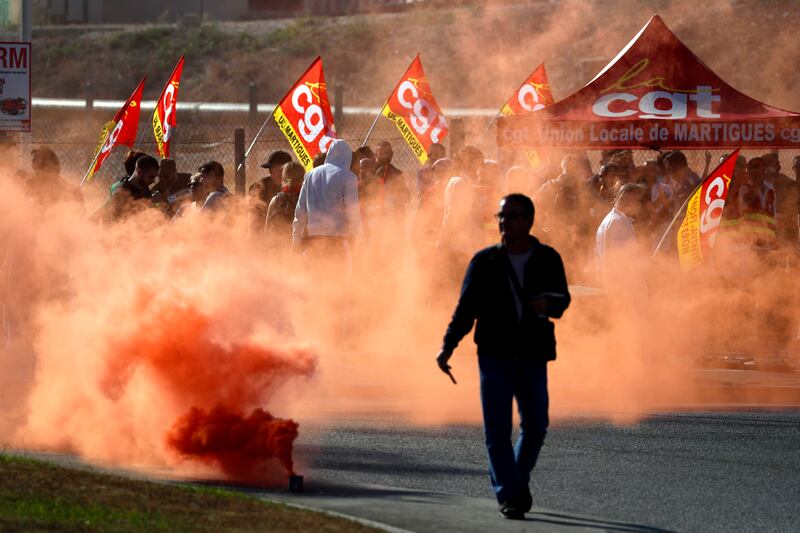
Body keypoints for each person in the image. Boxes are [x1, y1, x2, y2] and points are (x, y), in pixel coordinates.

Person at [435, 193, 570, 520]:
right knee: (496, 430)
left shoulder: (548, 258)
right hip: (494, 353)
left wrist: (547, 304)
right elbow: (466, 309)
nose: (503, 223)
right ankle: (509, 494)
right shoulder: (485, 261)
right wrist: (448, 346)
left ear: (529, 220)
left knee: (536, 425)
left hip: (533, 353)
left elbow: (562, 301)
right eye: (500, 216)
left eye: (511, 216)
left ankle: (516, 481)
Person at [292, 139, 362, 273]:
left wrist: (295, 243)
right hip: (337, 242)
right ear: (347, 157)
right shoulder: (348, 177)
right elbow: (353, 213)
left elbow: (300, 212)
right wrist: (360, 243)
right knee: (336, 282)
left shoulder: (310, 175)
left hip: (313, 241)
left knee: (316, 280)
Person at [595, 183, 645, 286]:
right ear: (624, 199)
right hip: (622, 285)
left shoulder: (614, 219)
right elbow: (622, 259)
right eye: (638, 200)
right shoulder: (618, 222)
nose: (640, 204)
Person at [95, 155, 159, 222]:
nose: (153, 181)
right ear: (139, 172)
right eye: (151, 177)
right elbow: (114, 221)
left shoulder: (144, 187)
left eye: (154, 177)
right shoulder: (122, 191)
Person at [250, 150, 293, 235]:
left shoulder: (295, 188)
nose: (270, 171)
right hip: (265, 235)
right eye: (270, 169)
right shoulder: (259, 187)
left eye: (273, 168)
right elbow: (253, 217)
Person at [265, 161, 305, 247]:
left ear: (284, 177)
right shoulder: (304, 199)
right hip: (298, 246)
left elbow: (267, 229)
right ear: (302, 177)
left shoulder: (276, 199)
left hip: (277, 246)